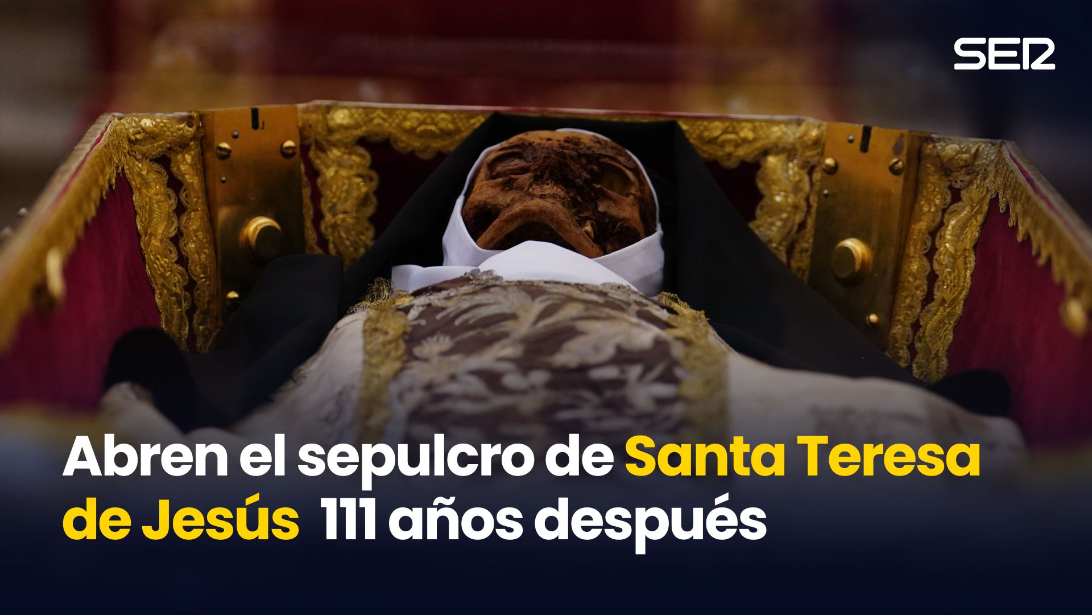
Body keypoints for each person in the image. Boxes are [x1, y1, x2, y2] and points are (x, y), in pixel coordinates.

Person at [101, 116, 1022, 470]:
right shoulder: (367, 319)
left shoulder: (689, 323)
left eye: (590, 190)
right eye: (514, 180)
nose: (545, 197)